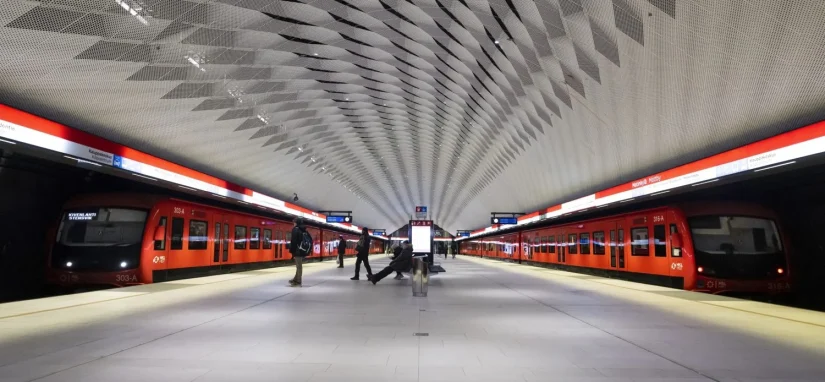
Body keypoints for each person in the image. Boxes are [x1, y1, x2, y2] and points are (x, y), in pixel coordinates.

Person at [288, 218, 310, 287]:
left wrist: (292, 251)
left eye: (294, 222)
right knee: (298, 266)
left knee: (299, 267)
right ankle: (295, 279)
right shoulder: (303, 229)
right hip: (301, 249)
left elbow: (294, 241)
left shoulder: (295, 229)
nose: (293, 223)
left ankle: (298, 281)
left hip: (297, 250)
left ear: (296, 223)